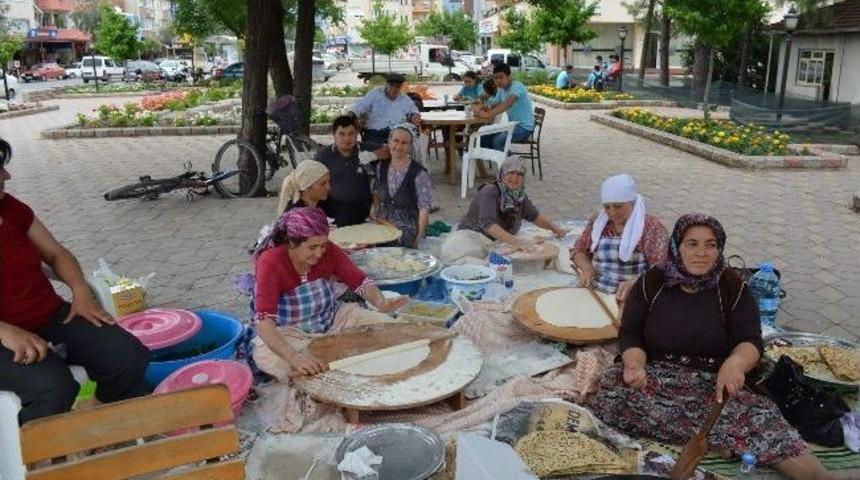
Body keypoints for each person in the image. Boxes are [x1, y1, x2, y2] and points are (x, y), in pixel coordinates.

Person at [586, 214, 842, 480]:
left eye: (710, 245)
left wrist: (736, 363)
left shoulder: (732, 287)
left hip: (712, 384)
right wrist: (633, 364)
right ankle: (720, 437)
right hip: (654, 379)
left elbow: (750, 340)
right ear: (676, 246)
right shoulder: (651, 282)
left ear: (719, 249)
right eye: (692, 244)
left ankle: (821, 478)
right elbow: (630, 334)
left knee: (760, 418)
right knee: (610, 392)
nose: (701, 253)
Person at [0, 139, 149, 425]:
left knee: (127, 355)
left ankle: (98, 419)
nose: (7, 176)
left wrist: (81, 293)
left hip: (49, 317)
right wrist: (5, 330)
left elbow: (56, 253)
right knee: (53, 388)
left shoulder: (12, 209)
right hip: (4, 335)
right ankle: (32, 460)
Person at [251, 207, 408, 378]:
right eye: (312, 247)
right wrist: (295, 358)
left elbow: (359, 280)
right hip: (292, 332)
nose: (320, 253)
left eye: (323, 245)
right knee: (278, 361)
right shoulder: (271, 261)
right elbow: (263, 320)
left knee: (390, 328)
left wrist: (380, 302)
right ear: (291, 243)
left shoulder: (329, 251)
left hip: (334, 319)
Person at [441, 156, 566, 264]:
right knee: (450, 256)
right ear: (502, 173)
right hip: (474, 236)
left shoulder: (519, 195)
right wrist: (517, 243)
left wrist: (555, 229)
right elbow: (488, 225)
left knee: (532, 255)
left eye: (519, 174)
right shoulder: (490, 191)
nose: (515, 178)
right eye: (511, 173)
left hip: (500, 240)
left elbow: (534, 216)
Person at [570, 174, 668, 301]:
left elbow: (662, 269)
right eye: (607, 207)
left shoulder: (651, 228)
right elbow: (579, 250)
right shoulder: (598, 222)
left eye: (618, 206)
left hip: (632, 297)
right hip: (596, 291)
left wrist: (636, 283)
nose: (612, 212)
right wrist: (587, 268)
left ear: (632, 203)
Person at [372, 125, 432, 248]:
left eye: (404, 143)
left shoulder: (419, 173)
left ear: (410, 147)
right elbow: (376, 192)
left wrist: (420, 236)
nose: (399, 146)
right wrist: (376, 212)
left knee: (396, 243)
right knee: (369, 242)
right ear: (389, 142)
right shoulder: (380, 167)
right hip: (384, 221)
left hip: (407, 224)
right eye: (396, 141)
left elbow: (424, 208)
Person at [315, 115, 376, 227]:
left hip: (359, 204)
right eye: (342, 134)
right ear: (334, 135)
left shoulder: (365, 149)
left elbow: (389, 149)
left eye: (351, 134)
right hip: (330, 201)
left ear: (357, 134)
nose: (347, 138)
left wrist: (374, 155)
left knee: (345, 217)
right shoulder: (323, 155)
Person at [348, 73, 421, 150]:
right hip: (374, 132)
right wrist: (350, 115)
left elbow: (414, 111)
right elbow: (358, 107)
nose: (394, 89)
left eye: (397, 86)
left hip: (396, 133)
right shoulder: (375, 94)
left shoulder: (405, 99)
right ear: (386, 84)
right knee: (374, 152)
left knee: (404, 148)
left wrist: (414, 116)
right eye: (391, 85)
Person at [474, 63, 535, 152]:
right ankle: (507, 157)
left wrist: (488, 114)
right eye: (495, 78)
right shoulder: (501, 89)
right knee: (483, 138)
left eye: (501, 77)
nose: (498, 81)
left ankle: (510, 162)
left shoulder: (517, 86)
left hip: (524, 128)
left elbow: (508, 103)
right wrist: (481, 107)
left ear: (509, 76)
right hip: (512, 126)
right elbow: (494, 103)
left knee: (498, 141)